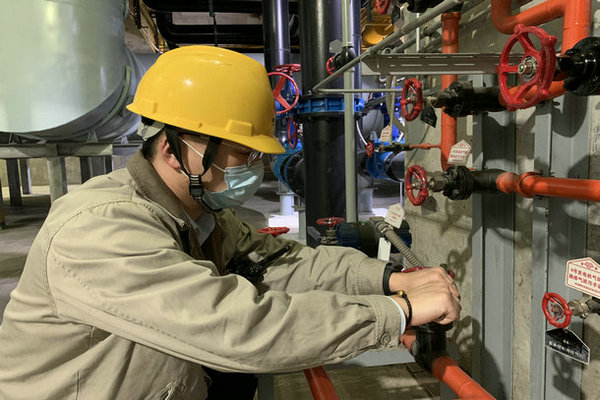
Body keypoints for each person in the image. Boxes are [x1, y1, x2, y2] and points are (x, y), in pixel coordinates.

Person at [0, 45, 461, 400]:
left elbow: (281, 263)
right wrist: (397, 311)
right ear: (175, 150)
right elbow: (237, 326)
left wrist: (388, 279)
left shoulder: (202, 214)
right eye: (244, 153)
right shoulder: (99, 230)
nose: (256, 168)